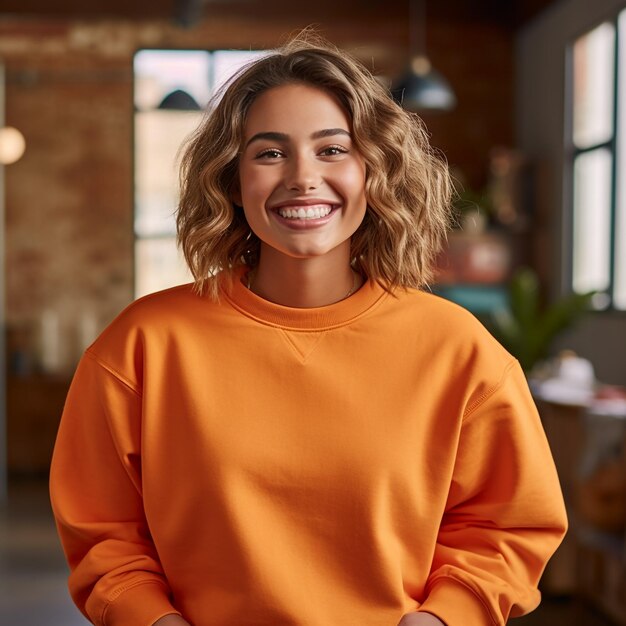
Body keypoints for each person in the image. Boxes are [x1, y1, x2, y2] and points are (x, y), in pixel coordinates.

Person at [50, 32, 568, 626]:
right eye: (270, 153)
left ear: (374, 171)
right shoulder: (142, 344)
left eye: (332, 150)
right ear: (232, 178)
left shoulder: (458, 349)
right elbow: (102, 532)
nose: (302, 177)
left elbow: (507, 525)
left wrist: (444, 617)